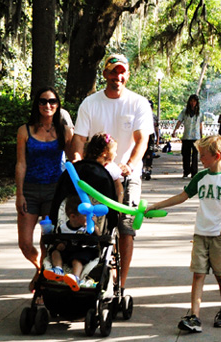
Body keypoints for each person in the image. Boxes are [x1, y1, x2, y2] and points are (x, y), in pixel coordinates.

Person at [71, 54, 155, 291]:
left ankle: (121, 284)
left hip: (126, 176)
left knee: (126, 229)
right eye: (113, 72)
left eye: (122, 72)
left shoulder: (138, 103)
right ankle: (95, 271)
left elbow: (142, 140)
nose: (117, 76)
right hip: (95, 176)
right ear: (105, 74)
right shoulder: (90, 103)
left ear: (127, 75)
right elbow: (79, 139)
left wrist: (130, 164)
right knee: (94, 226)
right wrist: (77, 161)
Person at [148, 135, 221, 332]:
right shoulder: (200, 177)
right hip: (201, 233)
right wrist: (156, 205)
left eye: (203, 155)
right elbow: (183, 196)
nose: (200, 159)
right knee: (198, 274)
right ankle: (194, 316)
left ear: (217, 156)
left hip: (220, 236)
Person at [15, 86, 74, 269]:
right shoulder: (25, 131)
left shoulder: (65, 131)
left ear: (57, 105)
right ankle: (40, 269)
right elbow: (21, 164)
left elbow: (74, 161)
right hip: (30, 190)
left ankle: (42, 278)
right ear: (37, 104)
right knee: (25, 244)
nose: (47, 105)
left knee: (47, 241)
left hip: (54, 190)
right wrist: (19, 194)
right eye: (43, 101)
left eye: (52, 101)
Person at [43, 195, 97, 291]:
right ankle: (58, 270)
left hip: (83, 251)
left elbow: (98, 237)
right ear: (73, 217)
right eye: (85, 215)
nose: (89, 217)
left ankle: (75, 278)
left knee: (77, 260)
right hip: (68, 250)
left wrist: (93, 225)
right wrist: (59, 245)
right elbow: (58, 240)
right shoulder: (62, 227)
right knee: (55, 252)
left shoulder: (88, 227)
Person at [173, 94, 204, 178]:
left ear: (197, 102)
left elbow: (200, 125)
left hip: (196, 137)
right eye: (191, 101)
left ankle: (194, 172)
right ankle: (186, 171)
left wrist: (201, 136)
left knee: (195, 156)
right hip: (186, 136)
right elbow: (179, 121)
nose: (192, 103)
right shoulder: (184, 111)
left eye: (194, 101)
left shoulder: (200, 112)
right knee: (185, 154)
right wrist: (175, 130)